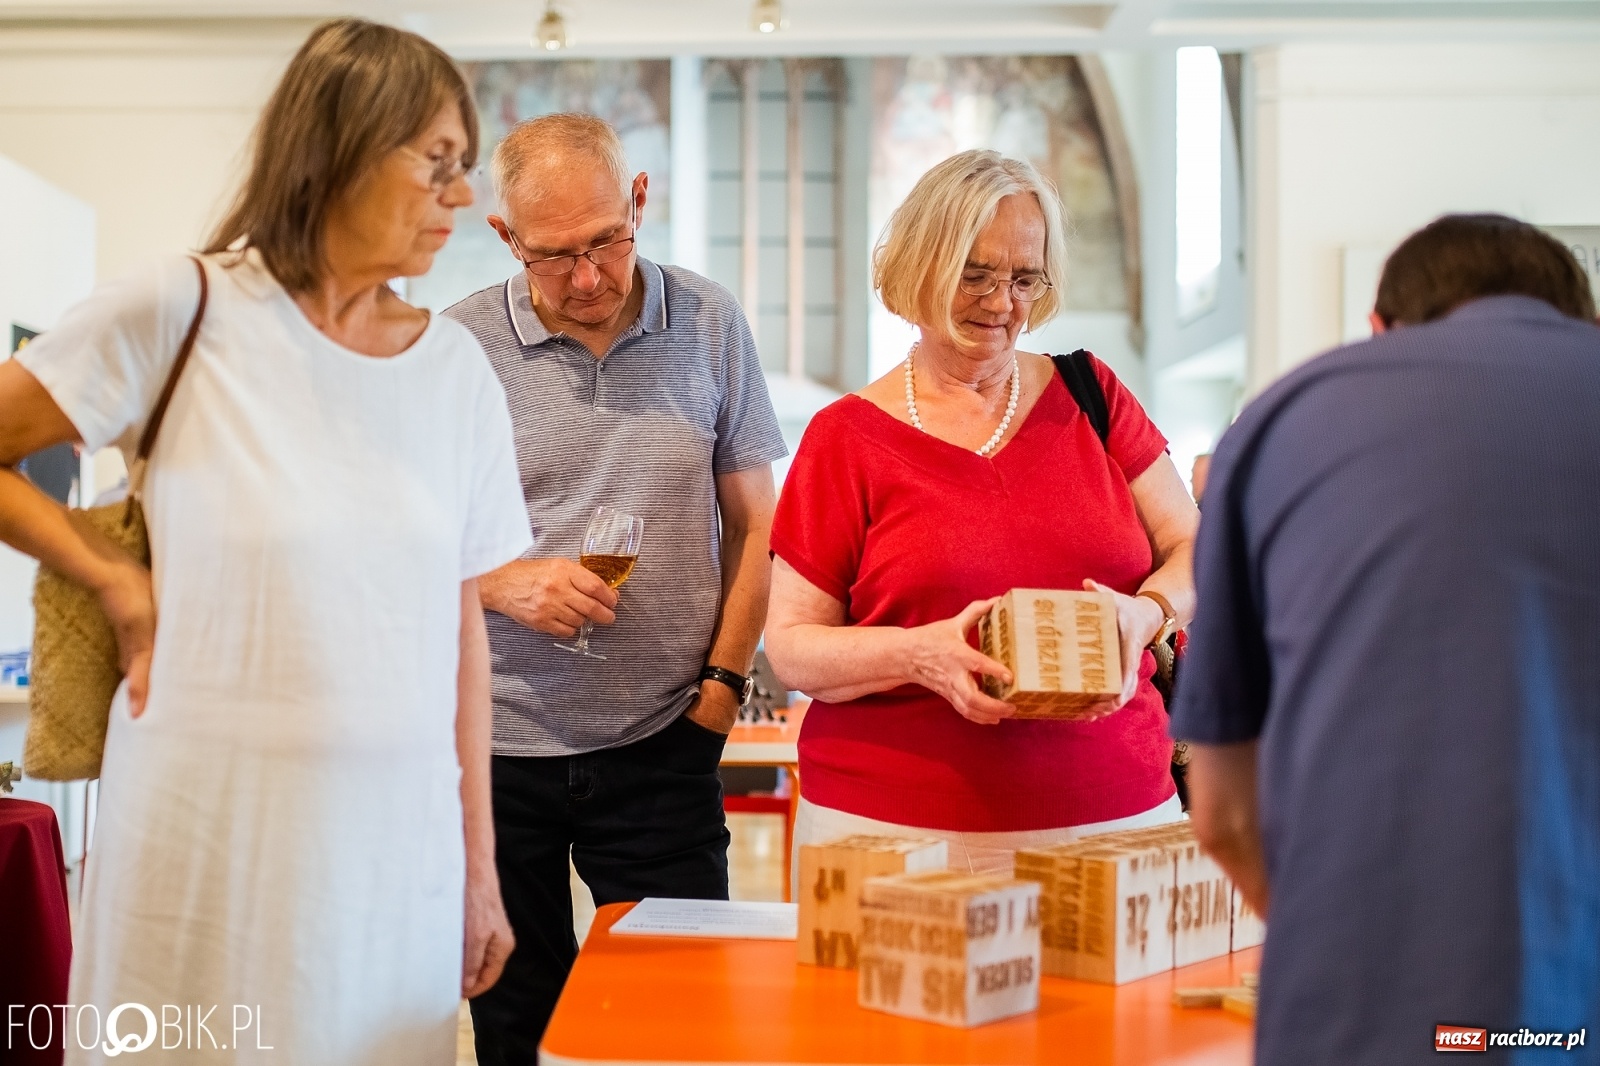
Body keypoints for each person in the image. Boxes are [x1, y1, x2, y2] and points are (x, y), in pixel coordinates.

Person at [0, 20, 531, 1064]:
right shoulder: (182, 308)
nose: (460, 197)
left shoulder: (456, 372)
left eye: (462, 168)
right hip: (204, 838)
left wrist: (479, 865)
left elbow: (457, 625)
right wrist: (113, 576)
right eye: (437, 162)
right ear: (340, 145)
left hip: (394, 860)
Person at [1174, 213, 1600, 1065]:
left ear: (1379, 330)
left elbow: (1221, 813)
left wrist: (1352, 957)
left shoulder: (1282, 420)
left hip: (1358, 1009)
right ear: (1580, 320)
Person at [444, 113, 786, 1060]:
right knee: (516, 1021)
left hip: (664, 745)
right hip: (497, 750)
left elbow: (760, 523)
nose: (588, 279)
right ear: (506, 238)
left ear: (640, 200)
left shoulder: (711, 323)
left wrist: (721, 690)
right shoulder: (456, 346)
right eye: (555, 256)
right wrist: (503, 582)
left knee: (675, 1023)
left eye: (606, 241)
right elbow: (401, 539)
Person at [763, 149, 1199, 878]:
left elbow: (1194, 546)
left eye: (1024, 278)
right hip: (895, 838)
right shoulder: (846, 436)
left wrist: (1145, 614)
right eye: (976, 274)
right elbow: (794, 646)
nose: (1002, 303)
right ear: (922, 265)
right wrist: (919, 654)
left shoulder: (1092, 396)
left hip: (1119, 820)